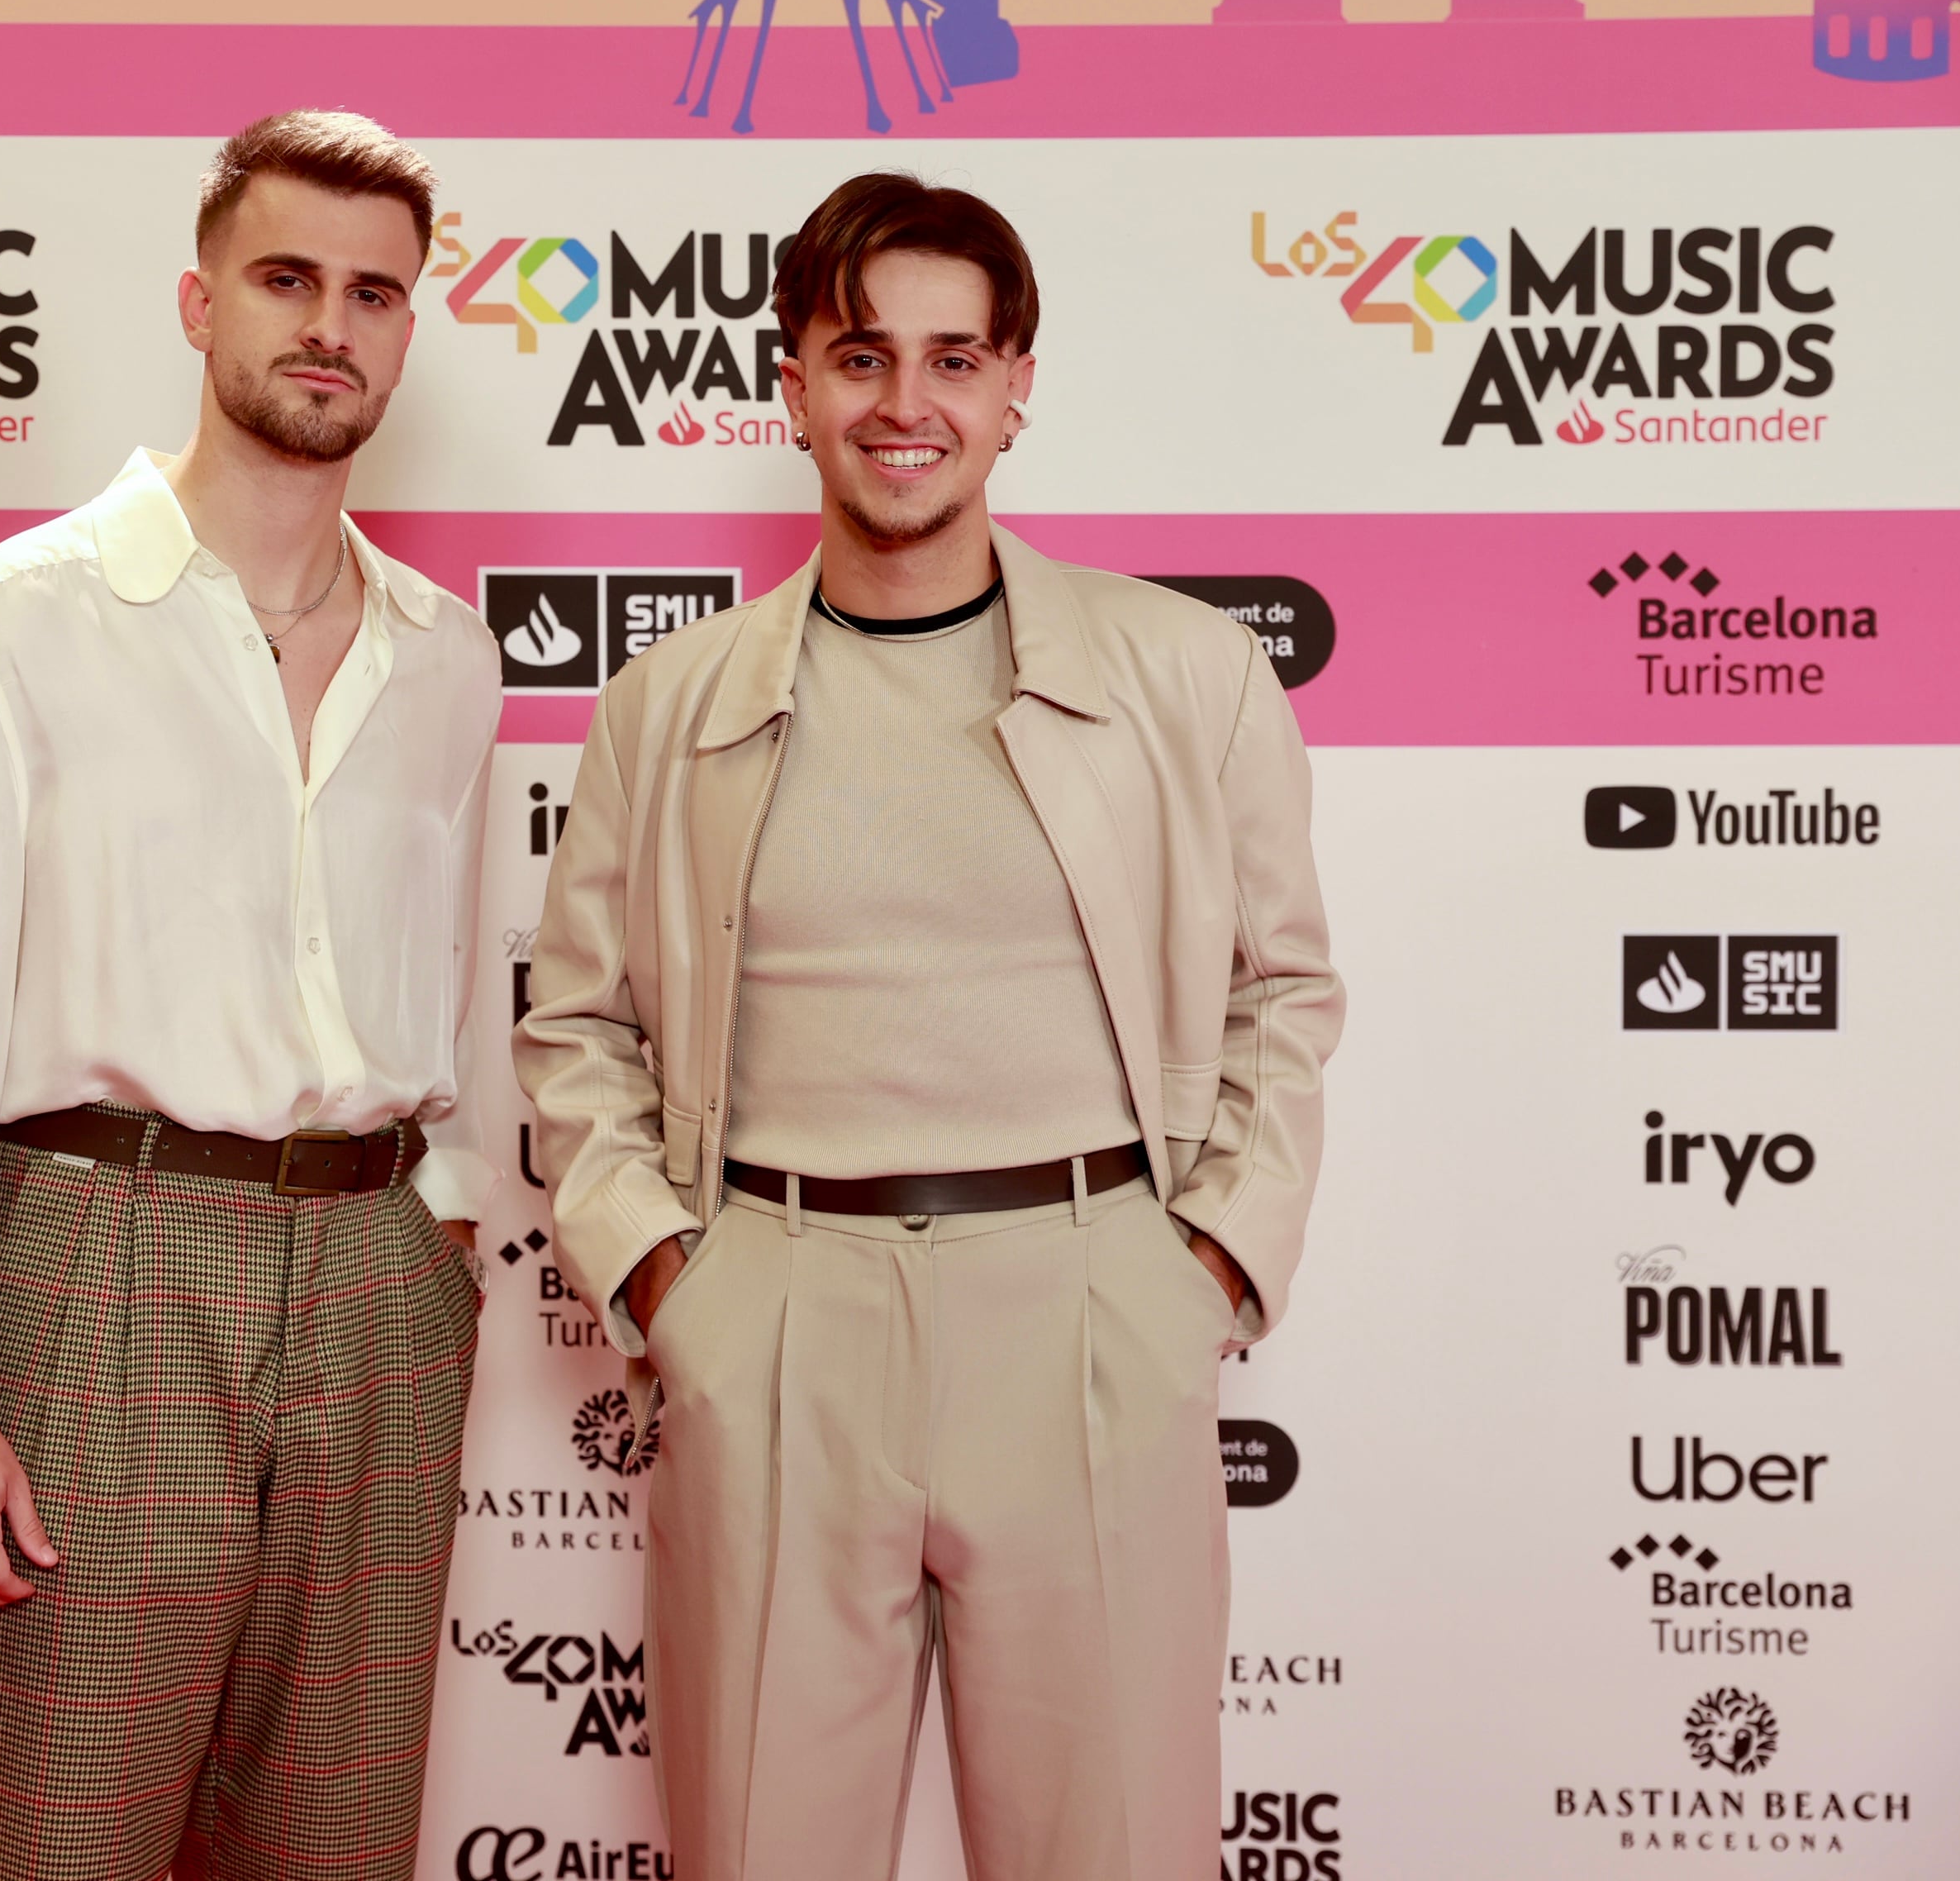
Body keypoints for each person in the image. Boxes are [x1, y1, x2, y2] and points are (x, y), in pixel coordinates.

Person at [513, 171, 1342, 1881]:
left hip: (1093, 1299)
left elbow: (1280, 992)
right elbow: (575, 1021)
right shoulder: (666, 706)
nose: (908, 403)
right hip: (774, 1311)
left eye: (955, 359)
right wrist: (669, 1280)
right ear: (795, 387)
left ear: (1016, 386)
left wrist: (1199, 1272)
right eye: (861, 356)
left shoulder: (1189, 673)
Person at [0, 110, 499, 1881]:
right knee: (53, 1836)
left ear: (407, 332)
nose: (330, 326)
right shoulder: (16, 621)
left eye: (374, 294)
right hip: (105, 1262)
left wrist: (441, 1241)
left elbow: (446, 1003)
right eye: (287, 279)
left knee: (338, 1840)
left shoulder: (448, 657)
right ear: (200, 303)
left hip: (378, 1288)